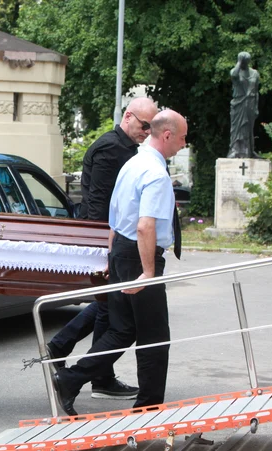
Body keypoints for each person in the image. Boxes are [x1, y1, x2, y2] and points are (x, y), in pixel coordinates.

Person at [53, 109, 187, 416]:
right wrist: (149, 272)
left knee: (122, 329)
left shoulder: (132, 163)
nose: (183, 144)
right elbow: (145, 226)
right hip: (141, 255)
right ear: (166, 136)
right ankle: (148, 406)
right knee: (154, 337)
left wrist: (112, 258)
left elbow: (115, 220)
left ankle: (69, 379)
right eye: (181, 138)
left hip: (123, 251)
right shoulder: (154, 172)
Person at [46, 98, 158, 400]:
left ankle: (95, 373)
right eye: (144, 125)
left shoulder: (124, 147)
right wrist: (103, 245)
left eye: (151, 127)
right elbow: (102, 202)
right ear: (128, 116)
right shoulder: (112, 148)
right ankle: (73, 355)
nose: (147, 132)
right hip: (105, 235)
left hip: (111, 236)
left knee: (111, 307)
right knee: (114, 308)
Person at [227, 51, 260, 159]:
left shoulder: (255, 73)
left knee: (248, 127)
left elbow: (256, 91)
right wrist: (239, 62)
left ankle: (249, 150)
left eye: (246, 61)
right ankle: (235, 150)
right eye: (243, 61)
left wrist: (256, 107)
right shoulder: (236, 71)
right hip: (238, 102)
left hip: (250, 103)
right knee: (236, 128)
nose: (244, 64)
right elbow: (233, 75)